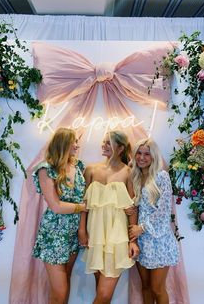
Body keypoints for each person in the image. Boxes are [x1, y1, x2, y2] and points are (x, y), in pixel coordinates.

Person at [78, 130, 139, 304]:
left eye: (108, 143)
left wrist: (132, 241)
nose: (103, 146)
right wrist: (82, 230)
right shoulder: (90, 170)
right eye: (103, 142)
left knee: (104, 294)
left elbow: (131, 208)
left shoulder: (128, 172)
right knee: (101, 291)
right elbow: (84, 205)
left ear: (120, 148)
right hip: (95, 235)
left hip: (117, 237)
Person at [32, 127, 87, 304]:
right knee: (59, 290)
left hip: (72, 233)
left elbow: (82, 196)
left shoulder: (78, 166)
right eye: (74, 141)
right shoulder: (46, 169)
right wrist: (82, 208)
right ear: (63, 143)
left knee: (66, 282)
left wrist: (81, 228)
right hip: (54, 233)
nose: (77, 145)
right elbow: (56, 206)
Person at [128, 138, 179, 304]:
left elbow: (164, 211)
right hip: (142, 241)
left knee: (158, 288)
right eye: (139, 153)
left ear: (154, 156)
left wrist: (141, 228)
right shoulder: (135, 177)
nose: (142, 157)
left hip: (159, 240)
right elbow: (135, 207)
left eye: (147, 154)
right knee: (146, 287)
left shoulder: (162, 176)